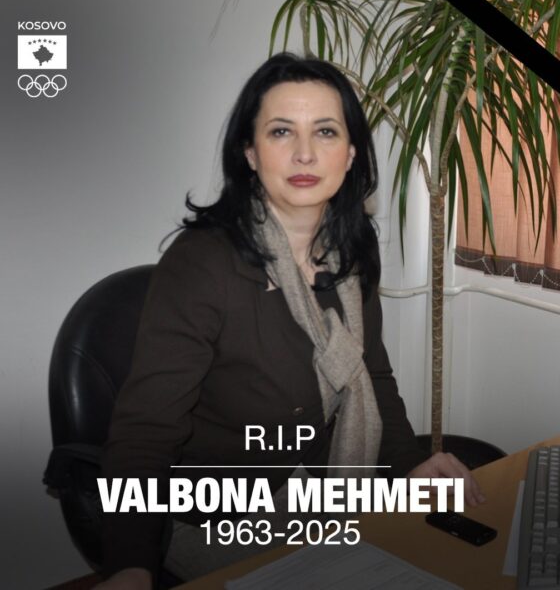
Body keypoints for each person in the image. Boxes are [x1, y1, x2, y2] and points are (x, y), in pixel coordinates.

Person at [95, 53, 484, 590]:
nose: (305, 153)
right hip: (217, 515)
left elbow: (371, 375)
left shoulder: (353, 247)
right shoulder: (203, 263)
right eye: (281, 131)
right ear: (250, 153)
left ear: (351, 153)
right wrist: (130, 566)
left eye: (325, 131)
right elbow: (146, 431)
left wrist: (408, 465)